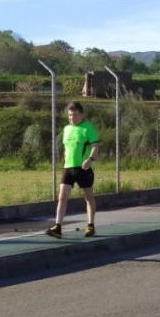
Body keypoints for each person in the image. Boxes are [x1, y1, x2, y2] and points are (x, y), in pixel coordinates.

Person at [46, 101, 99, 239]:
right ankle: (57, 226)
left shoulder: (88, 128)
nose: (72, 118)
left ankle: (90, 225)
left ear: (81, 114)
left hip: (83, 168)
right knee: (62, 197)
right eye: (70, 115)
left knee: (88, 197)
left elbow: (95, 146)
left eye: (74, 115)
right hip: (68, 168)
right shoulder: (67, 129)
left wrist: (90, 159)